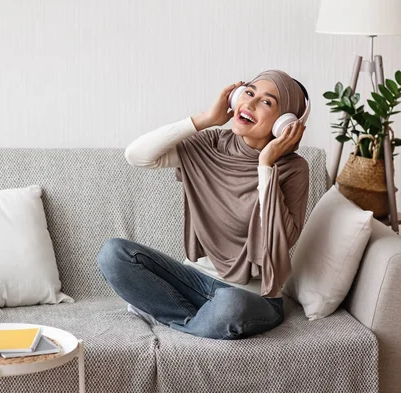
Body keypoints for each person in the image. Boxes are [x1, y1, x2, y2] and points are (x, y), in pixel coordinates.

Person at [97, 70, 310, 340]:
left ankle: (169, 316)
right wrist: (205, 120)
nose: (251, 104)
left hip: (249, 297)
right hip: (193, 281)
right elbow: (137, 156)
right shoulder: (211, 143)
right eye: (249, 92)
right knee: (113, 254)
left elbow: (282, 240)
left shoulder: (294, 168)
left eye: (267, 102)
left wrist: (265, 165)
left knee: (231, 306)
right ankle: (198, 322)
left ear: (284, 123)